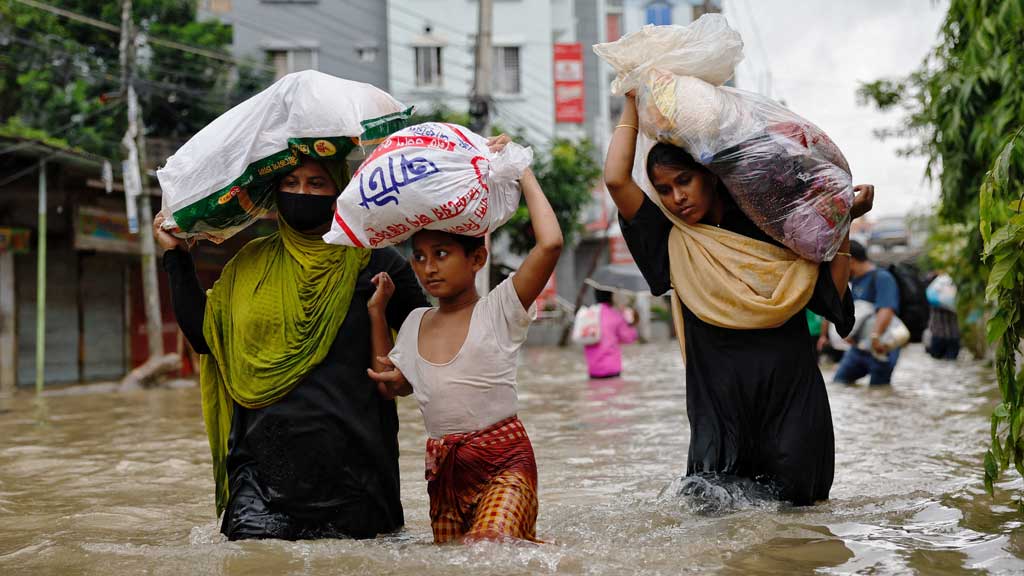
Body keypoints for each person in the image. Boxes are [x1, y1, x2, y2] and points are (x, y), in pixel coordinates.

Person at [603, 91, 874, 505]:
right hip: (720, 413)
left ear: (710, 176)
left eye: (684, 181)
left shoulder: (771, 226)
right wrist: (631, 102)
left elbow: (829, 299)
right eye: (664, 188)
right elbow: (616, 179)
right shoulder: (671, 240)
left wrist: (842, 223)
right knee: (715, 519)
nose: (677, 196)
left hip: (791, 404)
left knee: (799, 526)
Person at [154, 155, 428, 540]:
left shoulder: (375, 262)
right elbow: (206, 337)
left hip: (355, 475)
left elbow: (429, 338)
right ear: (275, 192)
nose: (302, 193)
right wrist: (176, 257)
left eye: (317, 183)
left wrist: (408, 369)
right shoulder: (249, 265)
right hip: (260, 477)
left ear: (338, 192)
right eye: (291, 183)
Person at [366, 135, 562, 543]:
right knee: (457, 563)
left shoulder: (499, 309)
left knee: (488, 549)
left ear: (477, 259)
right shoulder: (417, 321)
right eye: (418, 257)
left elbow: (551, 243)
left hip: (505, 461)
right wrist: (377, 314)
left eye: (441, 254)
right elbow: (391, 385)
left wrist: (519, 167)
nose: (427, 268)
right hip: (445, 472)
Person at [831, 240, 902, 385]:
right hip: (859, 348)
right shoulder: (855, 280)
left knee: (878, 390)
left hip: (880, 345)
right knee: (839, 382)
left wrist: (875, 337)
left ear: (850, 260)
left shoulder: (882, 277)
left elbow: (886, 309)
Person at [584, 289, 639, 379]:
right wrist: (629, 322)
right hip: (611, 368)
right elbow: (628, 338)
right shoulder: (615, 315)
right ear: (611, 296)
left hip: (593, 369)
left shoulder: (589, 314)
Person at [925, 271, 960, 360]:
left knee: (937, 364)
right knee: (951, 363)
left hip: (938, 335)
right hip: (953, 336)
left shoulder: (934, 292)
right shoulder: (954, 289)